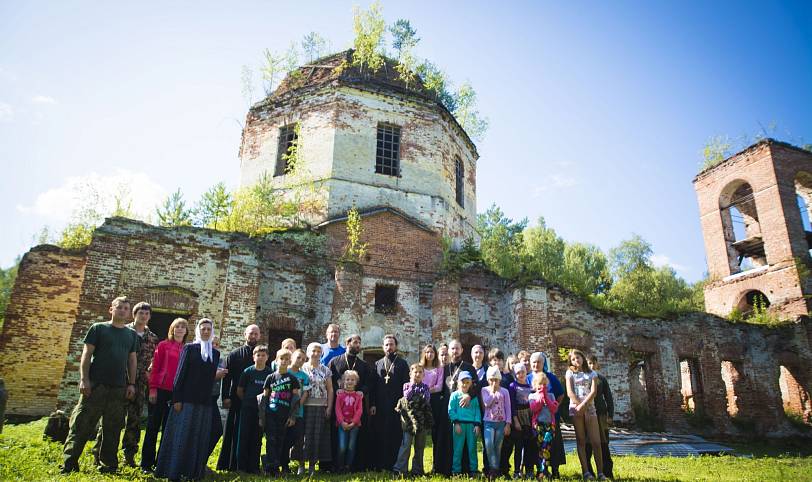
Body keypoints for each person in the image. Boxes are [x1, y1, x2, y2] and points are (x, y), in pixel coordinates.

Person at [61, 296, 138, 475]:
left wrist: (131, 384)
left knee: (112, 428)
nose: (123, 310)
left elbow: (132, 360)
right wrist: (84, 379)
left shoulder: (131, 334)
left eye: (126, 308)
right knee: (81, 424)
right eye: (120, 307)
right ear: (111, 309)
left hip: (118, 388)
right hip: (96, 386)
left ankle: (109, 465)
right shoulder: (98, 328)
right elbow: (86, 354)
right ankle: (69, 463)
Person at [155, 318, 227, 481]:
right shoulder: (189, 349)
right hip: (185, 400)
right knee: (181, 436)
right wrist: (177, 399)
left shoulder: (215, 354)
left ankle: (192, 472)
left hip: (204, 403)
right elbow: (180, 375)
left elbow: (208, 379)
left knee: (197, 437)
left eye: (209, 329)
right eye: (203, 329)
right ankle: (173, 471)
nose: (206, 332)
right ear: (198, 330)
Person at [92, 301, 159, 468]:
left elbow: (153, 361)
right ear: (134, 314)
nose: (143, 316)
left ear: (149, 316)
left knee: (134, 421)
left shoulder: (153, 338)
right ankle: (99, 453)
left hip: (140, 384)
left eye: (146, 314)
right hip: (120, 381)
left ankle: (129, 455)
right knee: (111, 419)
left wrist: (149, 374)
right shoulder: (124, 331)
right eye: (140, 313)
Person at [141, 317, 188, 473]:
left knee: (168, 429)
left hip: (175, 394)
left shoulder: (187, 349)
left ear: (186, 331)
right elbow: (154, 369)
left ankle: (161, 462)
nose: (180, 329)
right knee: (153, 427)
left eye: (183, 326)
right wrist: (153, 389)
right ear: (172, 329)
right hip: (160, 390)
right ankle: (146, 463)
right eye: (177, 326)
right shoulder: (163, 345)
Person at [217, 324, 261, 470]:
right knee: (233, 430)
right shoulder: (235, 354)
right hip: (236, 398)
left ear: (259, 336)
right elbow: (227, 378)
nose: (253, 336)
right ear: (245, 335)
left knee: (253, 433)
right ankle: (229, 463)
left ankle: (250, 464)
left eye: (256, 334)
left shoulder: (263, 355)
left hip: (256, 401)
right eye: (250, 333)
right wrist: (225, 397)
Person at [328, 334, 373, 471]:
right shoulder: (335, 361)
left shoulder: (363, 365)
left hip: (356, 408)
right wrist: (336, 390)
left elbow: (368, 383)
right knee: (338, 439)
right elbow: (329, 381)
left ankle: (352, 465)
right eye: (355, 342)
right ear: (347, 343)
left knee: (354, 441)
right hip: (339, 406)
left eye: (359, 343)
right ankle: (335, 465)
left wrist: (362, 391)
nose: (358, 345)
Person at [435, 339, 479, 475]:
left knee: (464, 442)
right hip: (448, 409)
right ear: (449, 351)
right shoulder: (443, 368)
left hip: (464, 409)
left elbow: (476, 386)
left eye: (457, 348)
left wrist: (469, 396)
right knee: (446, 439)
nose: (455, 351)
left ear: (462, 350)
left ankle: (466, 469)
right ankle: (445, 468)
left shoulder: (468, 368)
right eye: (452, 349)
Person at [259, 348, 301, 476]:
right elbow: (264, 398)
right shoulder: (270, 377)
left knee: (280, 441)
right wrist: (261, 416)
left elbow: (295, 400)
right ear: (276, 360)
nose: (284, 361)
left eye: (287, 359)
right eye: (281, 359)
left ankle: (276, 467)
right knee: (270, 440)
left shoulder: (293, 379)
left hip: (285, 415)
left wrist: (293, 416)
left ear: (290, 361)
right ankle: (270, 467)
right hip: (270, 414)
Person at [565, 349, 605, 480]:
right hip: (575, 409)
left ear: (582, 358)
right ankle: (586, 472)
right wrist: (579, 405)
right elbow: (570, 392)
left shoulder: (592, 373)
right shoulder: (570, 373)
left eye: (578, 357)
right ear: (571, 361)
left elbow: (593, 392)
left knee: (596, 442)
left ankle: (600, 472)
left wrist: (584, 406)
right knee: (581, 440)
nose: (576, 360)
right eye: (573, 359)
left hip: (590, 409)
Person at [372, 334, 410, 471]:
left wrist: (403, 406)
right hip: (381, 406)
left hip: (396, 406)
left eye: (391, 344)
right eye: (386, 345)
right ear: (383, 347)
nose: (389, 347)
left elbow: (406, 387)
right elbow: (374, 386)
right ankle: (380, 464)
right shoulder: (377, 364)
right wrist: (373, 404)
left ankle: (393, 464)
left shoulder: (402, 363)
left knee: (395, 435)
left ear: (396, 346)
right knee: (381, 434)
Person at [235, 345, 272, 473]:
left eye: (263, 355)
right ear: (253, 357)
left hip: (261, 411)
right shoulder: (248, 372)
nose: (260, 357)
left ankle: (254, 467)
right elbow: (240, 390)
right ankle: (241, 467)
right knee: (244, 437)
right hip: (247, 409)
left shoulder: (269, 373)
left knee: (257, 438)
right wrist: (247, 401)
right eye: (258, 355)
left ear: (267, 357)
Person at [393, 363, 434, 476]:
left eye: (420, 372)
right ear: (410, 374)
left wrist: (419, 393)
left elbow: (426, 399)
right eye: (415, 372)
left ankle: (417, 470)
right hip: (409, 420)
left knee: (420, 446)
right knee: (406, 444)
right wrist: (413, 386)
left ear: (423, 375)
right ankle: (400, 469)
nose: (417, 374)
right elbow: (407, 396)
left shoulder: (425, 387)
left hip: (422, 419)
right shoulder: (406, 385)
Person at [530, 352, 566, 478]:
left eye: (538, 362)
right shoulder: (528, 377)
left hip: (551, 419)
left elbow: (561, 394)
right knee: (537, 446)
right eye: (533, 362)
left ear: (543, 363)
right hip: (536, 420)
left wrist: (555, 405)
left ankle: (555, 470)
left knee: (553, 446)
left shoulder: (550, 377)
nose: (536, 364)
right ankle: (540, 470)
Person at [302, 342, 334, 476]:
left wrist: (329, 407)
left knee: (317, 437)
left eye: (318, 351)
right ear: (308, 352)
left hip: (321, 407)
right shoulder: (302, 368)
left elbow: (330, 389)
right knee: (304, 437)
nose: (316, 353)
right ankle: (301, 465)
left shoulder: (325, 370)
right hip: (305, 406)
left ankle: (312, 466)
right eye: (313, 351)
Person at [586, 355, 614, 480]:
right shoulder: (583, 378)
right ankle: (589, 472)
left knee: (603, 444)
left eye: (593, 363)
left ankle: (607, 472)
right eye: (589, 363)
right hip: (587, 415)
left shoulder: (601, 379)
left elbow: (609, 397)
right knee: (587, 445)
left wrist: (610, 415)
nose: (591, 366)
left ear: (596, 364)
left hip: (601, 415)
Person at [283, 348, 311, 475]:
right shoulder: (284, 372)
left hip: (298, 412)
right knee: (282, 437)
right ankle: (281, 465)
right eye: (298, 357)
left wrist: (298, 404)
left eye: (303, 359)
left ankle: (288, 461)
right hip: (282, 410)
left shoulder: (304, 376)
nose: (300, 361)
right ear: (292, 357)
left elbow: (306, 392)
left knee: (295, 437)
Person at [481, 366, 512, 480]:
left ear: (500, 380)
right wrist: (493, 393)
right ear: (488, 380)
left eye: (496, 380)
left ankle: (495, 470)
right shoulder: (484, 390)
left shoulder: (505, 391)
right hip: (488, 422)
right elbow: (486, 404)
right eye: (491, 379)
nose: (494, 382)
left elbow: (508, 408)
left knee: (498, 446)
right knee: (489, 445)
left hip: (501, 423)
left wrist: (508, 424)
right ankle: (493, 469)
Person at [448, 371, 481, 476]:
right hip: (459, 426)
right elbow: (451, 410)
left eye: (467, 382)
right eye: (462, 382)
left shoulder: (473, 397)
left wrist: (477, 424)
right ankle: (456, 471)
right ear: (458, 383)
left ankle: (474, 470)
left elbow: (477, 411)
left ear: (471, 383)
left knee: (472, 449)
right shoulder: (454, 395)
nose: (465, 384)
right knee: (457, 449)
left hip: (471, 426)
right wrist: (456, 422)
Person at [489, 348, 516, 476]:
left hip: (505, 417)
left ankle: (504, 469)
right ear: (490, 362)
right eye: (495, 360)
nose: (498, 362)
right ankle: (492, 469)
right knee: (490, 445)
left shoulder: (507, 378)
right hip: (490, 418)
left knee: (506, 445)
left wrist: (509, 421)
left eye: (500, 360)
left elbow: (511, 400)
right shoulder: (487, 378)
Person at [529, 371, 559, 479]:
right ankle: (542, 471)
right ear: (535, 385)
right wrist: (541, 397)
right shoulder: (532, 396)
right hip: (538, 426)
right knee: (540, 449)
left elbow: (554, 408)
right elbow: (534, 408)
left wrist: (546, 396)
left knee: (546, 447)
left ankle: (544, 470)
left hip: (549, 426)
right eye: (540, 384)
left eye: (544, 384)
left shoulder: (550, 395)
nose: (542, 386)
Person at [508, 362, 536, 479]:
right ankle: (517, 470)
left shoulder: (531, 386)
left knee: (530, 444)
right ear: (515, 374)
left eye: (523, 372)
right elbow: (512, 405)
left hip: (529, 416)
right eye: (518, 372)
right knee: (518, 445)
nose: (520, 374)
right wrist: (515, 420)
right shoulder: (512, 386)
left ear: (526, 372)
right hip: (518, 417)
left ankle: (529, 469)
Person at [334, 370, 363, 472]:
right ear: (343, 381)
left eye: (352, 380)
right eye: (347, 379)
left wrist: (353, 423)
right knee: (342, 446)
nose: (350, 382)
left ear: (356, 382)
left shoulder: (358, 396)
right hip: (342, 424)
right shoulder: (340, 395)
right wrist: (342, 422)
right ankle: (340, 466)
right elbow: (337, 409)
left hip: (354, 425)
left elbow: (359, 410)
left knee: (351, 446)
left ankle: (348, 466)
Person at [420, 344, 444, 465]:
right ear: (424, 354)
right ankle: (418, 466)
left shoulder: (439, 368)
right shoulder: (420, 367)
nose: (429, 354)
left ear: (435, 354)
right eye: (427, 352)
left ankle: (436, 464)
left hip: (434, 402)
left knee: (435, 433)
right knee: (420, 435)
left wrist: (425, 390)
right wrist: (423, 391)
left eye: (432, 352)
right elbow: (415, 383)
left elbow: (439, 387)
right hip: (420, 402)